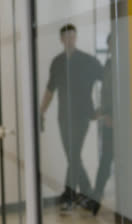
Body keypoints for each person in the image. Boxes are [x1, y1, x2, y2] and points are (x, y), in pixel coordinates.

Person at [39, 24, 103, 211]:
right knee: (73, 156)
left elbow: (107, 79)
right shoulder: (57, 62)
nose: (70, 40)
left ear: (76, 37)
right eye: (66, 38)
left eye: (72, 37)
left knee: (73, 155)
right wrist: (41, 111)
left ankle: (69, 196)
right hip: (63, 117)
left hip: (82, 116)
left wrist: (103, 109)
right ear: (61, 39)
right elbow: (50, 90)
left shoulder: (88, 61)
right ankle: (89, 194)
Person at [82, 34, 114, 215]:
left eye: (112, 44)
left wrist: (110, 114)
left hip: (120, 122)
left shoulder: (123, 63)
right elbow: (108, 92)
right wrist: (102, 111)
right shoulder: (109, 64)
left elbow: (122, 92)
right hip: (110, 122)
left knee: (109, 160)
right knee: (106, 160)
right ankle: (96, 199)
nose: (110, 48)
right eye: (109, 45)